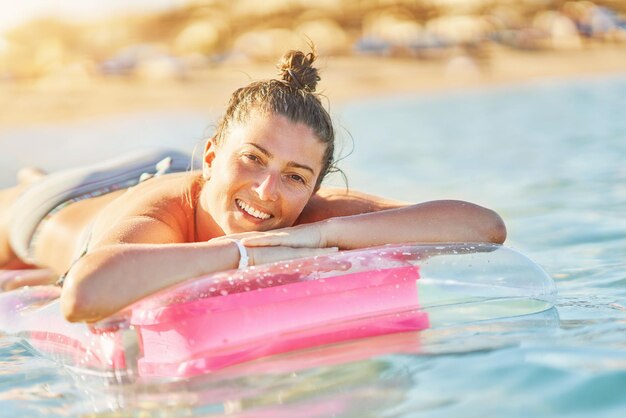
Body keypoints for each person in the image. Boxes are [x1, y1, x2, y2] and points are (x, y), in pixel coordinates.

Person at [0, 49, 506, 323]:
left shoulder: (308, 214)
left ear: (313, 189)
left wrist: (321, 236)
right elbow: (85, 295)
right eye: (255, 160)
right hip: (63, 202)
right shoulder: (163, 213)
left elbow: (483, 226)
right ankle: (35, 181)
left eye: (294, 176)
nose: (268, 191)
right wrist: (244, 253)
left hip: (211, 183)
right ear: (214, 154)